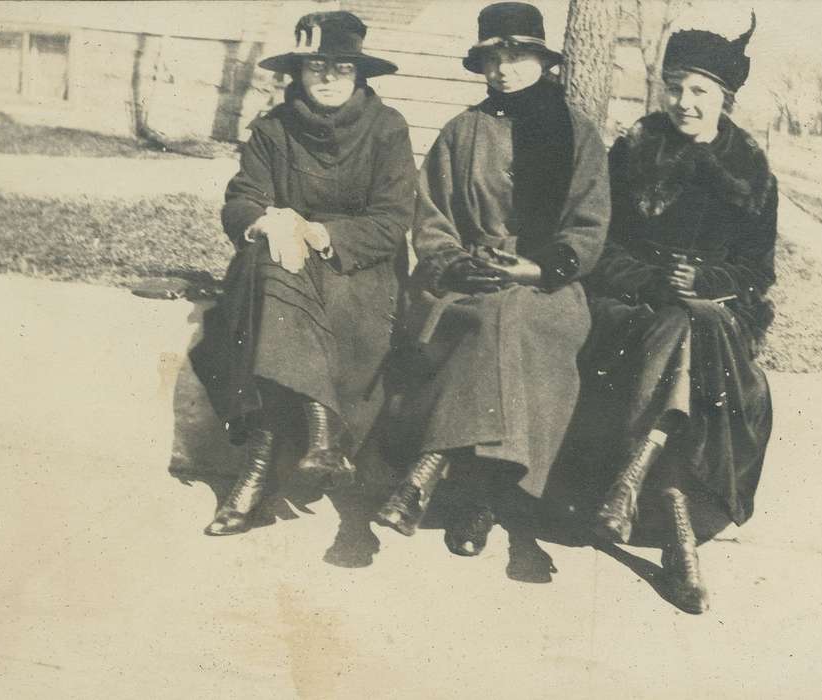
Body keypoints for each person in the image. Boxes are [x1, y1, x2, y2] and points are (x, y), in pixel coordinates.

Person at [373, 2, 609, 582]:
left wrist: (536, 269)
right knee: (487, 318)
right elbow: (430, 217)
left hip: (547, 287)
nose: (504, 69)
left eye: (518, 55)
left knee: (513, 319)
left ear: (542, 61)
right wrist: (454, 263)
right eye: (493, 57)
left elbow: (590, 225)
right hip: (469, 279)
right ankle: (480, 500)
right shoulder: (461, 131)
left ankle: (431, 472)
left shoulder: (576, 133)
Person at [190, 11, 416, 553]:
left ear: (360, 75)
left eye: (343, 67)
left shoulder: (388, 129)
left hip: (356, 267)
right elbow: (242, 198)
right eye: (318, 66)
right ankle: (320, 433)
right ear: (299, 72)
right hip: (282, 262)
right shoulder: (273, 128)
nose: (330, 78)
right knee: (270, 272)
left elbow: (392, 220)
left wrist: (321, 233)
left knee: (282, 293)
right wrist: (266, 221)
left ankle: (259, 466)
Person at [582, 14, 776, 613]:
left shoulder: (750, 170)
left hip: (715, 310)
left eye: (699, 91)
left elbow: (756, 271)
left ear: (726, 98)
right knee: (681, 325)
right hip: (634, 305)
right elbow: (602, 247)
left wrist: (707, 280)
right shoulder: (636, 149)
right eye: (675, 87)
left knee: (695, 323)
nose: (684, 103)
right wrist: (653, 280)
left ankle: (633, 480)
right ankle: (680, 540)